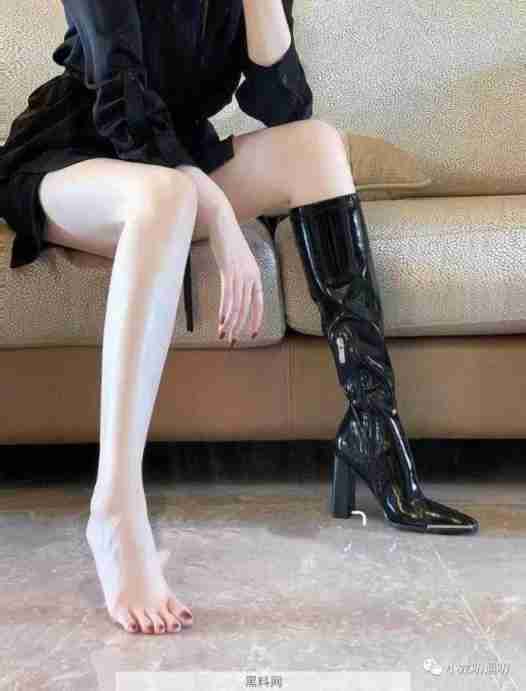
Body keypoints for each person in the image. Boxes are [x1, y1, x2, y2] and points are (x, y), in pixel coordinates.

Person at [0, 0, 479, 637]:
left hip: (175, 161)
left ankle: (374, 432)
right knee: (167, 193)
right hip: (72, 159)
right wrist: (221, 215)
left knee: (316, 145)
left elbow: (286, 107)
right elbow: (123, 104)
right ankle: (115, 508)